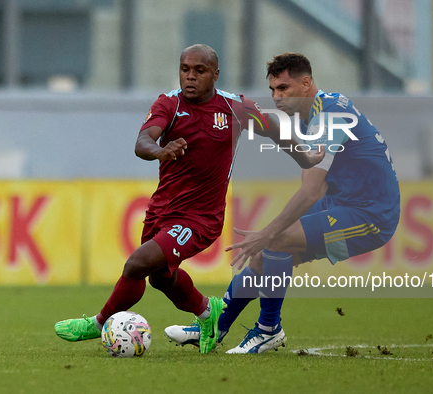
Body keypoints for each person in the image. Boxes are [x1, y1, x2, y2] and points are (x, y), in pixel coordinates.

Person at [54, 46, 324, 354]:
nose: (190, 77)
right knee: (160, 278)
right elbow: (142, 142)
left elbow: (274, 129)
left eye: (199, 70)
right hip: (162, 211)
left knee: (136, 264)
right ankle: (209, 313)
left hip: (201, 218)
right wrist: (161, 150)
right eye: (185, 69)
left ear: (215, 75)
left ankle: (99, 323)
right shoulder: (168, 103)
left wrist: (304, 157)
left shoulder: (234, 107)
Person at [164, 52, 400, 353]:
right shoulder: (318, 110)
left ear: (306, 83)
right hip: (342, 201)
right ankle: (214, 328)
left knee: (275, 241)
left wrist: (267, 232)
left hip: (372, 215)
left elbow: (311, 190)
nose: (277, 97)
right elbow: (324, 182)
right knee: (265, 255)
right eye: (273, 89)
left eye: (284, 88)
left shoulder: (328, 116)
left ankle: (267, 329)